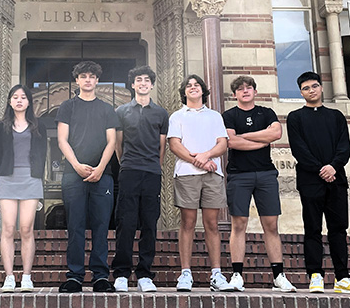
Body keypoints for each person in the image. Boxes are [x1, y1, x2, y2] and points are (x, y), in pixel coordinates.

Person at [287, 71, 350, 294]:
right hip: (310, 182)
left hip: (336, 180)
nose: (311, 90)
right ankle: (315, 276)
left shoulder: (336, 116)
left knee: (338, 229)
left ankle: (342, 277)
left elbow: (344, 147)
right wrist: (321, 169)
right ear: (301, 92)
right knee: (312, 228)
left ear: (321, 88)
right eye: (306, 88)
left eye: (314, 86)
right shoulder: (295, 117)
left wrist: (333, 167)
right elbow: (299, 150)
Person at [223, 75, 296, 292]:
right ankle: (237, 275)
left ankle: (278, 276)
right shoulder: (228, 115)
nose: (245, 91)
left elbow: (276, 133)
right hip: (238, 175)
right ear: (234, 94)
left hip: (265, 174)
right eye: (240, 89)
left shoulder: (267, 113)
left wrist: (246, 137)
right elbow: (231, 142)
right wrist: (261, 139)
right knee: (238, 224)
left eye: (249, 88)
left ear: (255, 91)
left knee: (271, 225)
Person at [56, 61, 119, 293]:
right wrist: (76, 165)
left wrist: (101, 168)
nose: (88, 80)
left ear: (97, 81)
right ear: (77, 80)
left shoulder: (106, 109)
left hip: (103, 175)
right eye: (83, 76)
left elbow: (112, 140)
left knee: (101, 226)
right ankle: (74, 276)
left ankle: (101, 277)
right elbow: (62, 139)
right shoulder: (67, 107)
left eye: (92, 76)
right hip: (73, 175)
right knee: (76, 226)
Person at [168, 74, 233, 292]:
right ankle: (185, 273)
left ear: (203, 90)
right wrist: (200, 161)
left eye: (197, 85)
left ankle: (216, 274)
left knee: (212, 224)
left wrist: (205, 156)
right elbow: (175, 145)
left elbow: (222, 144)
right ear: (184, 92)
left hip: (213, 176)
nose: (193, 88)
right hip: (186, 174)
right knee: (187, 222)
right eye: (189, 85)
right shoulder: (177, 116)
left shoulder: (215, 116)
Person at [111, 66, 168, 292]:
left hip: (152, 172)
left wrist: (154, 166)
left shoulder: (161, 113)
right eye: (138, 80)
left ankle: (145, 274)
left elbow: (162, 146)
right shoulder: (122, 111)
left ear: (151, 85)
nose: (143, 83)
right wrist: (127, 163)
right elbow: (118, 144)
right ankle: (122, 273)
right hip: (129, 171)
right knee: (125, 223)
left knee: (149, 224)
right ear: (132, 85)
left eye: (147, 80)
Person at [0, 85, 47, 292]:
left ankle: (26, 276)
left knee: (26, 228)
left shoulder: (38, 126)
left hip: (31, 179)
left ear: (29, 102)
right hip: (8, 178)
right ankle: (9, 277)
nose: (19, 100)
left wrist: (38, 176)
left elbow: (42, 153)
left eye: (23, 97)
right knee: (8, 228)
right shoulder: (1, 126)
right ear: (9, 101)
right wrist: (7, 170)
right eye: (15, 97)